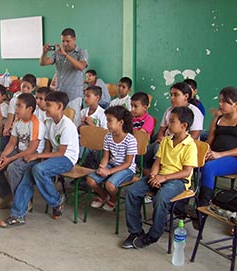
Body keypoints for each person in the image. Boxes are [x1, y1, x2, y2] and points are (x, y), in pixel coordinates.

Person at [0, 91, 79, 227]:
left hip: (66, 159)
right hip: (53, 157)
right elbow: (47, 147)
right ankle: (18, 216)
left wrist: (37, 156)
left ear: (59, 107)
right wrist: (41, 158)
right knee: (28, 175)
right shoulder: (49, 123)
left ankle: (57, 201)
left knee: (38, 170)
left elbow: (61, 152)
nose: (45, 107)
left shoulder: (67, 126)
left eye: (48, 105)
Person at [122, 106, 197, 249]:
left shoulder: (190, 145)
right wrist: (153, 175)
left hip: (178, 180)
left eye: (172, 122)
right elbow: (158, 161)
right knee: (132, 191)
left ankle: (153, 235)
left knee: (161, 198)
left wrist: (164, 178)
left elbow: (186, 172)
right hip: (160, 175)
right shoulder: (166, 141)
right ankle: (135, 231)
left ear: (184, 125)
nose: (168, 124)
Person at [0, 93, 45, 209]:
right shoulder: (18, 121)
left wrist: (9, 160)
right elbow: (12, 143)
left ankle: (24, 199)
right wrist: (3, 157)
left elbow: (32, 149)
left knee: (13, 168)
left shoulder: (36, 123)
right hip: (19, 151)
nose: (15, 109)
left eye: (19, 106)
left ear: (29, 109)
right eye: (16, 105)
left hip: (33, 155)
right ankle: (6, 195)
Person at [143, 82, 203, 172]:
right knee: (143, 152)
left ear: (186, 96)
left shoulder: (195, 112)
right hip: (166, 142)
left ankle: (161, 175)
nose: (172, 98)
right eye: (171, 95)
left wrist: (171, 144)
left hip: (182, 147)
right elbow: (162, 130)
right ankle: (150, 175)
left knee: (157, 150)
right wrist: (161, 139)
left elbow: (194, 135)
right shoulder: (169, 110)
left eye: (176, 95)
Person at [86, 106, 137, 211]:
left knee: (110, 184)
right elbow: (105, 157)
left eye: (110, 121)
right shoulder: (108, 137)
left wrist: (109, 171)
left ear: (120, 122)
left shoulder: (130, 140)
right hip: (112, 165)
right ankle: (104, 196)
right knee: (90, 180)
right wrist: (102, 167)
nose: (107, 124)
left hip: (127, 169)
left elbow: (128, 163)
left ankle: (113, 199)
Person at [196, 86, 237, 207]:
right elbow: (209, 140)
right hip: (215, 155)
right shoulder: (218, 119)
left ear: (235, 104)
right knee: (190, 162)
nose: (220, 104)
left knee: (209, 168)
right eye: (220, 100)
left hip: (233, 159)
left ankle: (202, 207)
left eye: (224, 101)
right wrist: (206, 151)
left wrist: (219, 155)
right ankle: (181, 205)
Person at [40, 28, 88, 126]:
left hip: (73, 95)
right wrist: (44, 52)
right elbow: (43, 63)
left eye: (67, 41)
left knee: (72, 123)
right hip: (59, 94)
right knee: (57, 122)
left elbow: (81, 66)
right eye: (63, 41)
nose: (65, 44)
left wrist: (66, 55)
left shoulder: (81, 52)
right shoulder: (57, 53)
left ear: (74, 39)